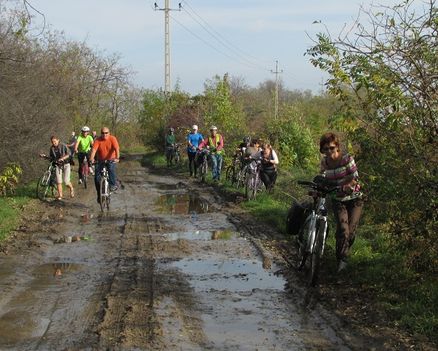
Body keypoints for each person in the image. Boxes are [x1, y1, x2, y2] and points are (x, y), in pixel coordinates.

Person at [319, 132, 364, 272]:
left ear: (337, 147)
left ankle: (342, 251)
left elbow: (354, 176)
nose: (329, 151)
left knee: (351, 231)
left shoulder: (347, 159)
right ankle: (342, 260)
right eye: (325, 149)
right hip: (338, 199)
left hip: (355, 199)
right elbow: (322, 178)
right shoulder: (325, 163)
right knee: (343, 230)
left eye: (331, 148)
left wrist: (346, 186)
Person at [89, 127, 120, 203]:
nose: (104, 134)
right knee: (96, 177)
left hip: (111, 159)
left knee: (111, 169)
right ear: (100, 133)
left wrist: (117, 157)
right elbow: (94, 150)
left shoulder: (112, 139)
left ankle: (112, 185)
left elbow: (117, 148)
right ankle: (99, 194)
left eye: (106, 133)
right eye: (103, 133)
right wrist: (91, 159)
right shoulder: (98, 140)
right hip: (100, 160)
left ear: (109, 133)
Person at [39, 135, 74, 200]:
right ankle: (60, 195)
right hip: (58, 165)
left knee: (66, 181)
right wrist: (44, 156)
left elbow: (69, 154)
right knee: (59, 181)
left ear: (58, 140)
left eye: (54, 141)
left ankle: (71, 188)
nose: (53, 143)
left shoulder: (63, 145)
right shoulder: (51, 148)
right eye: (52, 142)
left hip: (66, 164)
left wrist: (62, 158)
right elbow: (51, 158)